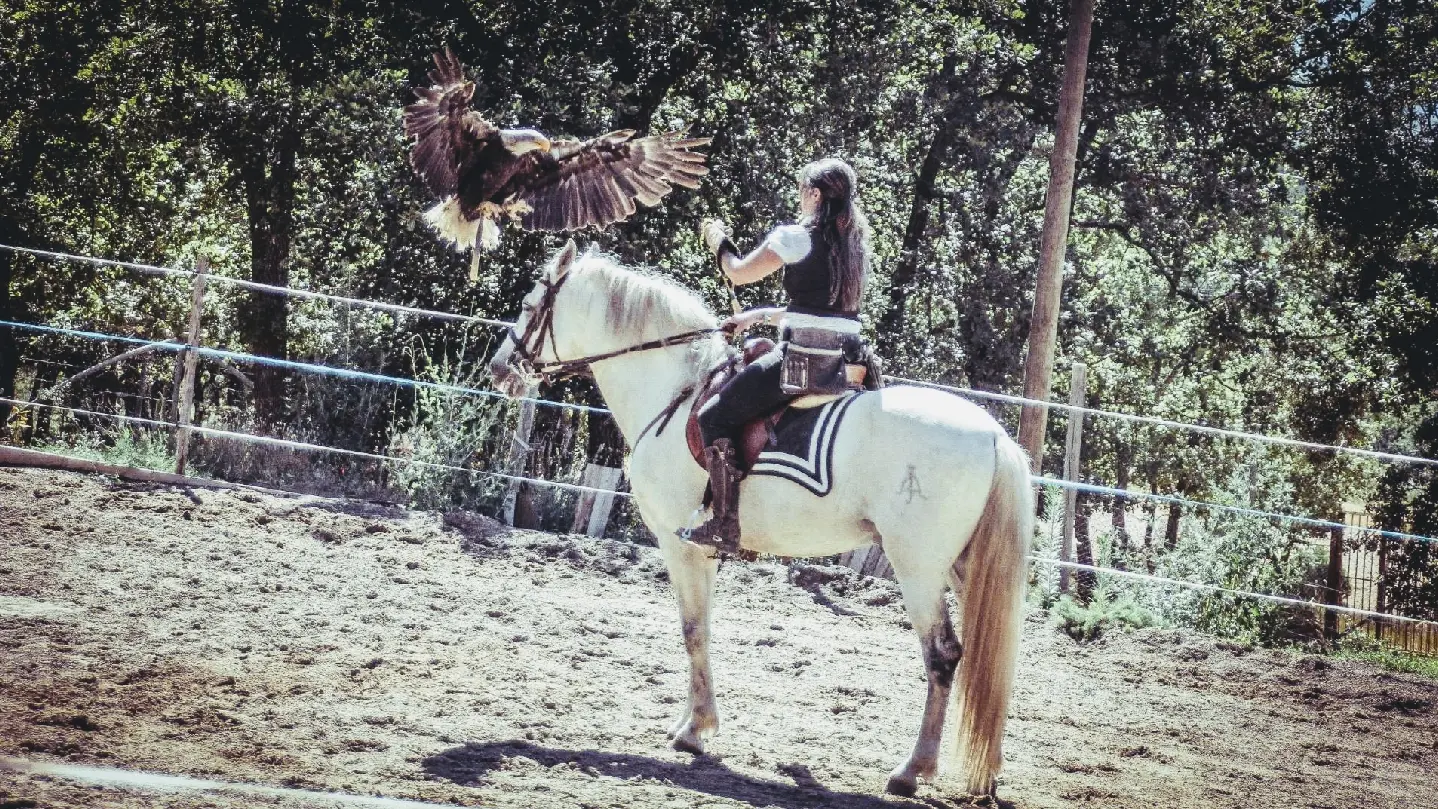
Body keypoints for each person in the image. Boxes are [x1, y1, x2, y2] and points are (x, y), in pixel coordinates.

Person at [683, 157, 874, 552]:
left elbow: (737, 271)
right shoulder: (854, 243)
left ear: (815, 194)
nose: (800, 199)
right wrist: (760, 316)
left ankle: (724, 523)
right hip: (850, 362)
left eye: (803, 191)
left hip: (804, 362)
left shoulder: (796, 237)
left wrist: (718, 240)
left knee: (712, 416)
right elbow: (822, 308)